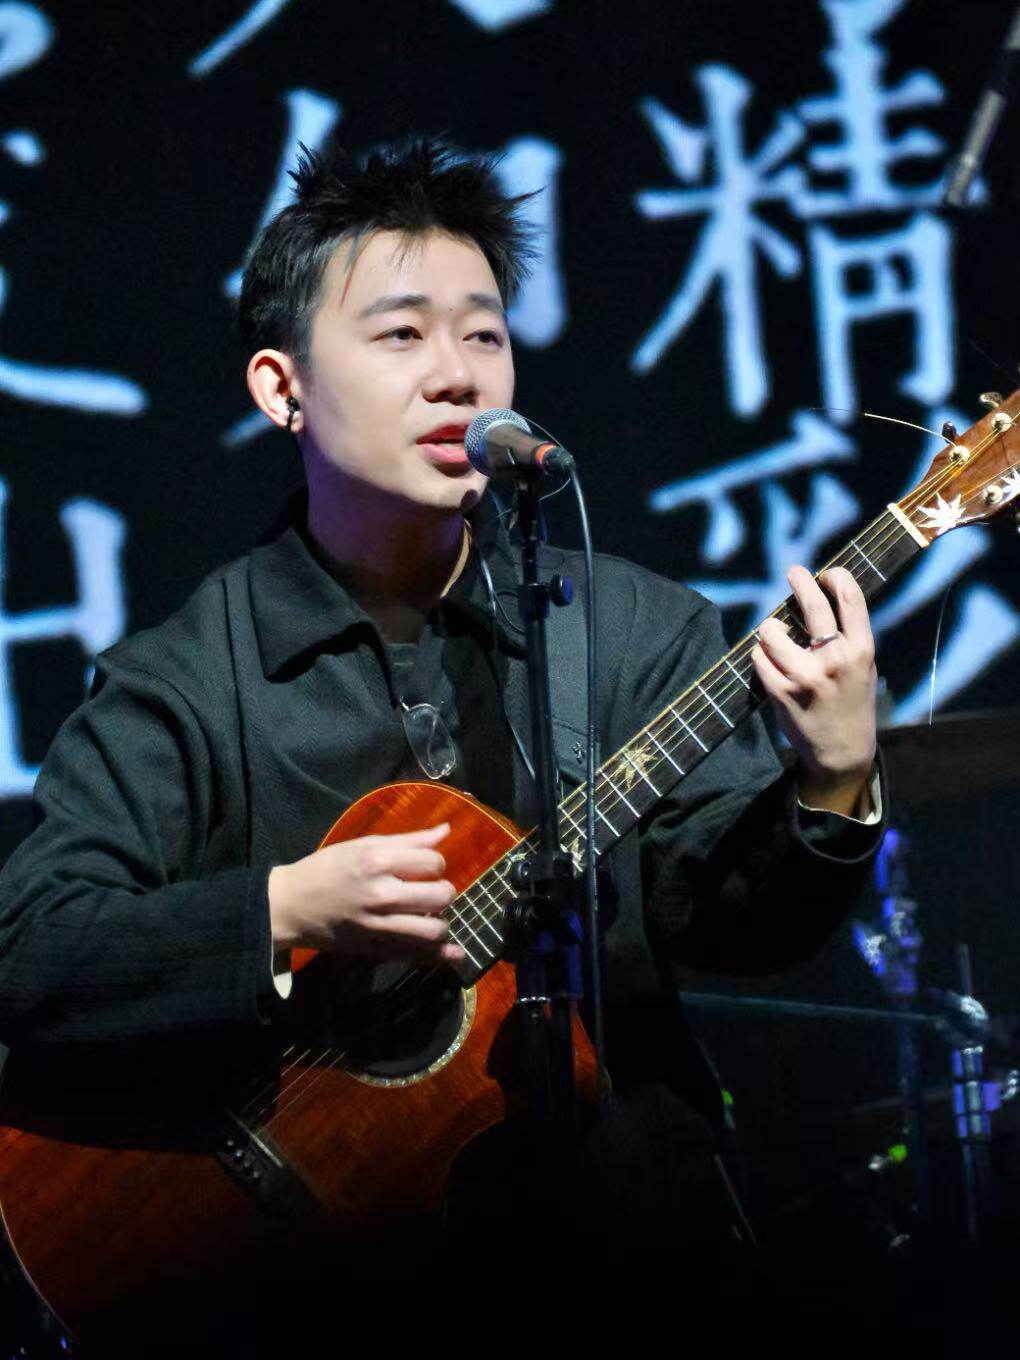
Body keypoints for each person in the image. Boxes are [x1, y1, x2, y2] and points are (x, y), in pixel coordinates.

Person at [0, 138, 883, 1342]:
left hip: (629, 1260)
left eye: (484, 334)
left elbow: (738, 922)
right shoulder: (187, 679)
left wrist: (834, 778)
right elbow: (31, 950)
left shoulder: (632, 629)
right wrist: (282, 910)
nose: (458, 377)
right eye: (403, 334)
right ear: (282, 388)